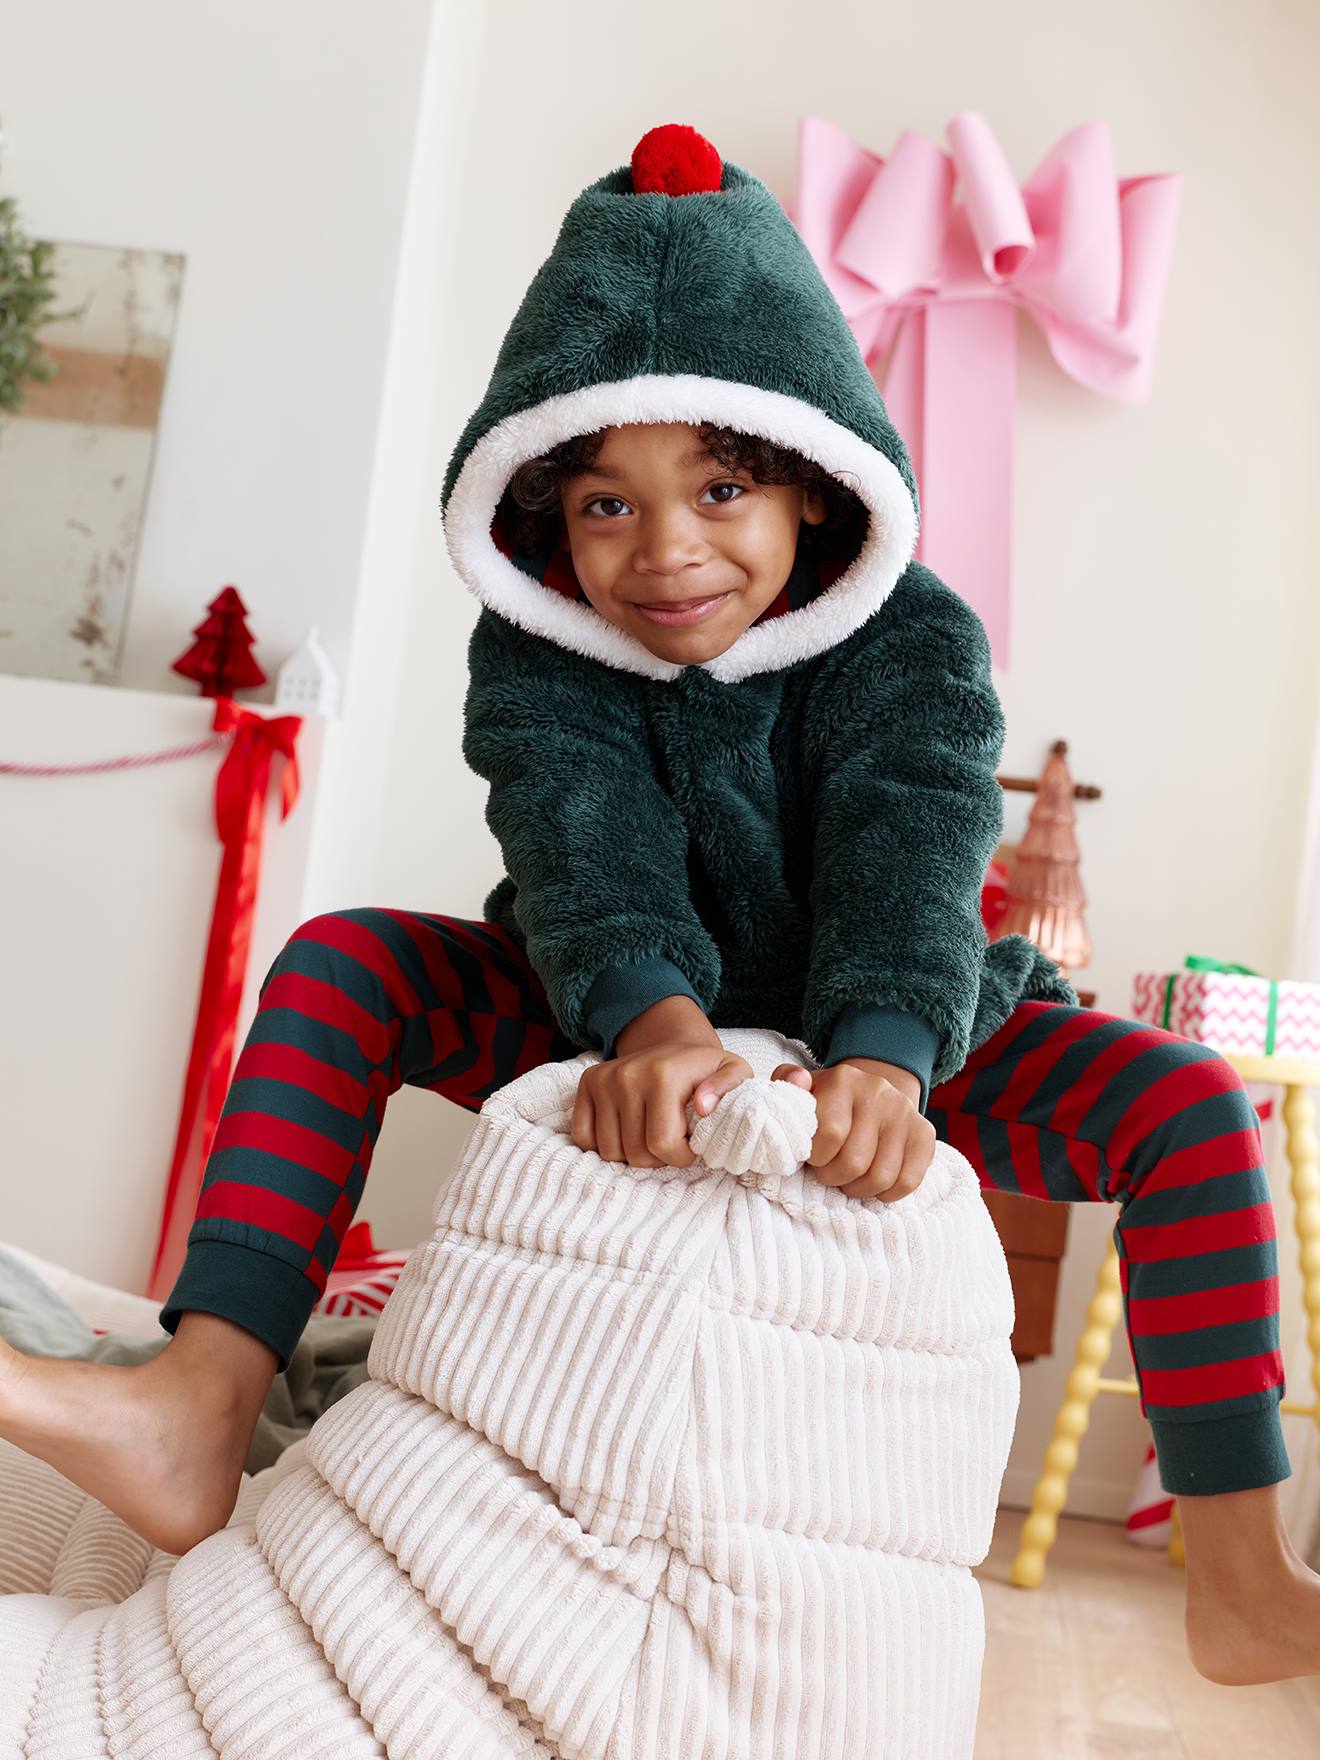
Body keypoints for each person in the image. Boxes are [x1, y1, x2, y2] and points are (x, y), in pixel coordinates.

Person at [1, 122, 1316, 1688]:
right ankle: (200, 1398)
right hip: (611, 1000)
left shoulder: (914, 641)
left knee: (1182, 1101)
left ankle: (1240, 1568)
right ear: (545, 520)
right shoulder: (543, 658)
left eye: (721, 485)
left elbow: (921, 843)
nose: (668, 549)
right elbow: (580, 840)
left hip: (890, 1032)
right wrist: (653, 1016)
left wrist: (890, 1056)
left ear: (816, 493)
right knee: (347, 959)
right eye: (605, 506)